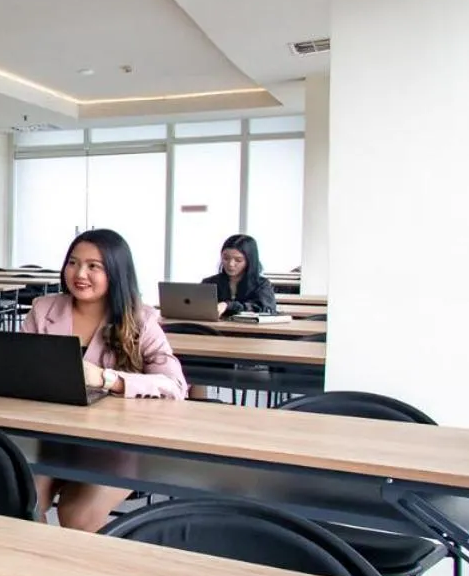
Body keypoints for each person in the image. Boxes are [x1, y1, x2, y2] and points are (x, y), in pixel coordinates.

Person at [24, 228, 187, 533]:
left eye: (93, 266)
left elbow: (175, 386)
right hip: (52, 437)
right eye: (73, 263)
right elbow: (22, 368)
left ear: (115, 272)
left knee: (77, 514)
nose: (79, 274)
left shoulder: (140, 319)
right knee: (23, 500)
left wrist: (107, 379)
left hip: (116, 445)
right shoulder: (43, 309)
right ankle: (42, 559)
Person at [203, 233, 279, 317]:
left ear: (250, 261)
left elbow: (266, 309)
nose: (231, 264)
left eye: (238, 260)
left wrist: (228, 305)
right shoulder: (209, 283)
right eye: (226, 258)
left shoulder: (261, 285)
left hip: (248, 326)